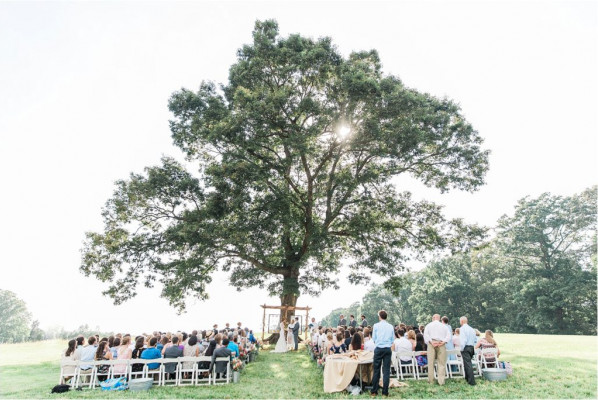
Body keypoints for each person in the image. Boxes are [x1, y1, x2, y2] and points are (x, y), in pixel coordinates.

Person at [370, 310, 394, 397]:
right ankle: (385, 392)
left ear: (380, 316)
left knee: (376, 370)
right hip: (387, 349)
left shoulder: (376, 326)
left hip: (379, 348)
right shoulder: (390, 326)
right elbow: (392, 339)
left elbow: (374, 338)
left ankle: (374, 391)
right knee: (386, 371)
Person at [424, 314, 451, 385]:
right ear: (439, 318)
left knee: (430, 363)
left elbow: (426, 335)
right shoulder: (444, 326)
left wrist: (431, 342)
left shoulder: (428, 325)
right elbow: (449, 336)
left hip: (431, 343)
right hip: (441, 343)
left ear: (433, 318)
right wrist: (443, 342)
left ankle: (431, 381)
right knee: (441, 363)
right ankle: (441, 381)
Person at [459, 316, 477, 385]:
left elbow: (463, 340)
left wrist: (461, 349)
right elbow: (475, 339)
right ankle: (467, 378)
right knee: (467, 363)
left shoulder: (462, 329)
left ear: (462, 321)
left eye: (460, 321)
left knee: (468, 364)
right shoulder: (472, 329)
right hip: (471, 347)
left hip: (466, 347)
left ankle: (471, 381)